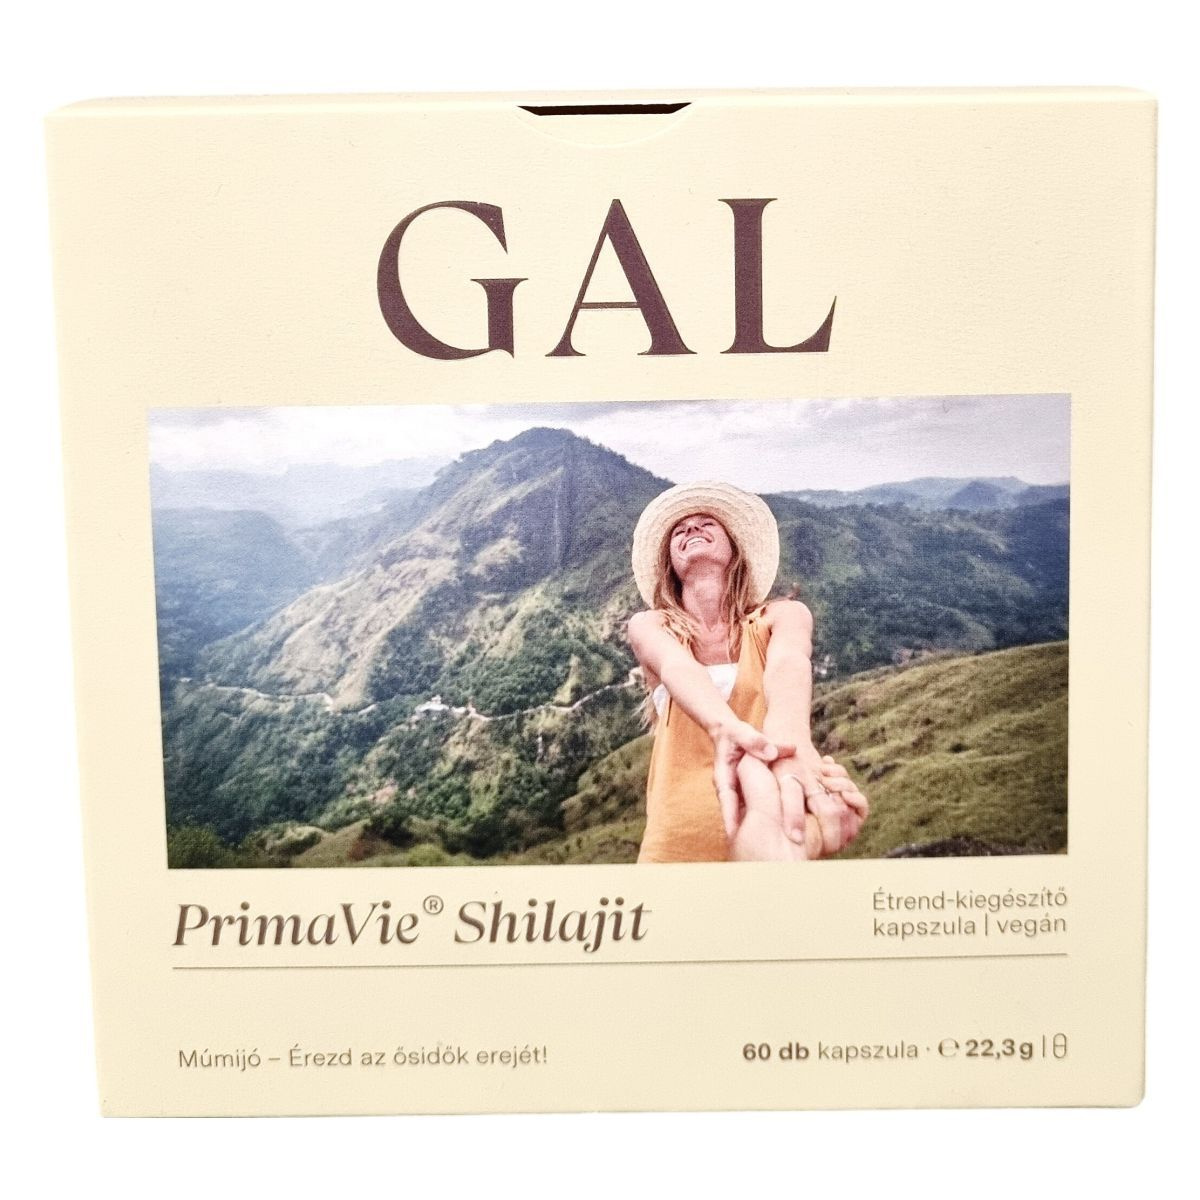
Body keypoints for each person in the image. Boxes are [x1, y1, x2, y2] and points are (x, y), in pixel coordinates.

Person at [627, 481, 868, 863]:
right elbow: (675, 666)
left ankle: (795, 839)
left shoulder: (783, 616)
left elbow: (789, 665)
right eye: (679, 530)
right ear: (670, 563)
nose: (692, 528)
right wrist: (725, 727)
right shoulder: (651, 626)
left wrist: (791, 741)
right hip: (674, 847)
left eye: (707, 523)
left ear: (734, 549)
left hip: (776, 829)